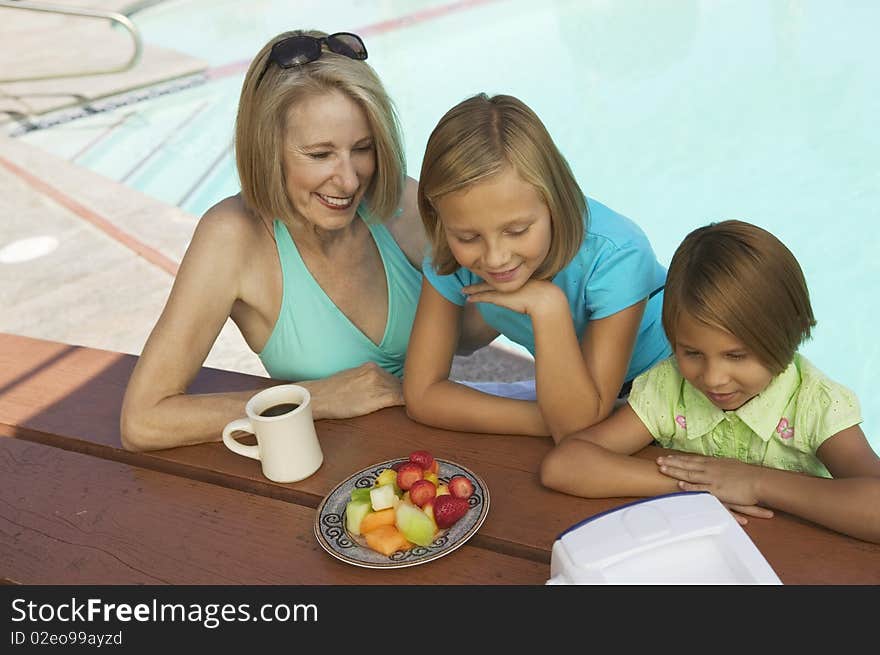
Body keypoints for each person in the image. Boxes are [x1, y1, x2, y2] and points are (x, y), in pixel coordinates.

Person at [120, 30, 492, 451]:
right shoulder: (232, 237)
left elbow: (463, 336)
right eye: (320, 155)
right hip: (329, 481)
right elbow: (143, 420)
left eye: (363, 148)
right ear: (267, 149)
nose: (350, 180)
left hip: (440, 461)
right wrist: (316, 398)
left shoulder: (397, 201)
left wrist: (526, 279)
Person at [540, 220, 880, 543]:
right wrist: (698, 486)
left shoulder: (814, 403)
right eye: (692, 353)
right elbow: (565, 465)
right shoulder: (670, 389)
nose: (713, 379)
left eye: (737, 356)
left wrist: (756, 483)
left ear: (788, 335)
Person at [403, 93, 671, 441]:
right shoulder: (449, 254)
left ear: (555, 202)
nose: (496, 257)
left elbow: (580, 424)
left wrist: (548, 307)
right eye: (468, 237)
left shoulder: (617, 253)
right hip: (582, 406)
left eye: (517, 231)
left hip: (681, 388)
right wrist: (548, 417)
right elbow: (422, 395)